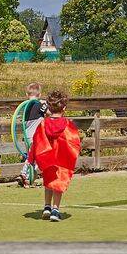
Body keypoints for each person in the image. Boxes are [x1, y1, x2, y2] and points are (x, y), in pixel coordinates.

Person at [27, 90, 82, 222]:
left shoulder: (43, 124)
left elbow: (37, 141)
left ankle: (47, 206)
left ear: (49, 107)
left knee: (48, 182)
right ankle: (55, 210)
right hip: (61, 159)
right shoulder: (68, 124)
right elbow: (74, 142)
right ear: (64, 108)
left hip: (47, 159)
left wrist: (31, 158)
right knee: (58, 184)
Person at [18, 82, 46, 189]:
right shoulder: (39, 105)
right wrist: (45, 103)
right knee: (34, 157)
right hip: (36, 136)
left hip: (27, 136)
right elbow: (48, 112)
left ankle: (28, 180)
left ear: (26, 94)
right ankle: (24, 174)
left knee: (32, 157)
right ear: (39, 95)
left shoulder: (24, 106)